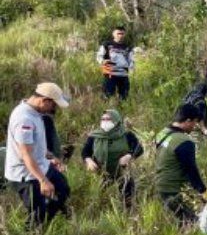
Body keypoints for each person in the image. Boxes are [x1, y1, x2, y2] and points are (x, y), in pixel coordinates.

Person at [5, 83, 71, 227]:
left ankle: (49, 217)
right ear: (44, 100)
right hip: (27, 174)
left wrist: (50, 157)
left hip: (41, 165)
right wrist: (43, 180)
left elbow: (35, 145)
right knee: (37, 214)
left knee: (63, 189)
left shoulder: (36, 113)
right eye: (53, 105)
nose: (54, 109)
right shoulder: (24, 119)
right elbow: (25, 155)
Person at [154, 104, 207, 224]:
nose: (195, 127)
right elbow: (191, 171)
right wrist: (204, 193)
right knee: (193, 223)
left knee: (178, 222)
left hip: (160, 187)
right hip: (174, 190)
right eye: (194, 122)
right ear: (188, 121)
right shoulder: (184, 142)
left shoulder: (162, 133)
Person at [82, 108, 144, 208]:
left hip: (123, 173)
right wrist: (89, 161)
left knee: (128, 201)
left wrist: (129, 156)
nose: (105, 122)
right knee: (101, 203)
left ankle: (127, 217)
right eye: (103, 119)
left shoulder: (126, 134)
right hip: (101, 174)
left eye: (108, 119)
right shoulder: (94, 136)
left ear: (116, 120)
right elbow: (85, 152)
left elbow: (139, 149)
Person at [96, 26, 134, 100]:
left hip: (123, 75)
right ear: (113, 34)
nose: (120, 35)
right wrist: (103, 61)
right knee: (107, 96)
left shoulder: (128, 47)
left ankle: (122, 110)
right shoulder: (107, 44)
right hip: (110, 74)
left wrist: (131, 70)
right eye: (118, 33)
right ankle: (106, 110)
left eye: (122, 34)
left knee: (124, 97)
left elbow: (131, 60)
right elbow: (99, 56)